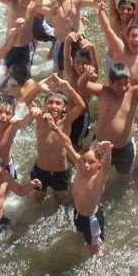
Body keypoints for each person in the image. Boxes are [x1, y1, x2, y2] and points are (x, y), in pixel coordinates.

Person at [78, 63, 138, 184]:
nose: (123, 87)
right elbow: (81, 85)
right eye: (119, 84)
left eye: (126, 83)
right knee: (92, 176)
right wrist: (86, 75)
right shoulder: (103, 91)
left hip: (125, 148)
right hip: (100, 145)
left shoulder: (134, 93)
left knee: (126, 178)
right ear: (110, 82)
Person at [25, 76, 86, 204]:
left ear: (64, 108)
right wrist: (39, 86)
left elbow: (81, 106)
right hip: (41, 170)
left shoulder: (67, 120)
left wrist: (68, 87)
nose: (53, 106)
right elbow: (27, 100)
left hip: (61, 170)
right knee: (38, 197)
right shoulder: (40, 117)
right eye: (50, 102)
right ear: (45, 105)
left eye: (58, 103)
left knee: (59, 198)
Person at [60, 132, 113, 256]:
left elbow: (106, 167)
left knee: (94, 249)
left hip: (91, 219)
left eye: (91, 162)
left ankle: (95, 268)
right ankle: (81, 246)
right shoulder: (80, 168)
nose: (86, 165)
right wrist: (56, 128)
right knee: (79, 234)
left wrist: (108, 151)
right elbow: (67, 145)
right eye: (84, 160)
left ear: (98, 164)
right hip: (78, 213)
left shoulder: (98, 179)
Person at [37, 0, 99, 73]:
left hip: (80, 40)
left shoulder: (77, 0)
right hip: (61, 42)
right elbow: (37, 4)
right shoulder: (53, 3)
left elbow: (94, 2)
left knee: (85, 67)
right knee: (58, 71)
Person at [63, 32, 98, 150]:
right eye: (78, 63)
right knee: (63, 139)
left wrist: (92, 49)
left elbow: (96, 69)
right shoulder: (70, 74)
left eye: (85, 63)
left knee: (76, 144)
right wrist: (67, 42)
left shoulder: (90, 78)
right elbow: (66, 57)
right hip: (67, 113)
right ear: (73, 63)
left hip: (81, 118)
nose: (81, 66)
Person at [105, 0, 138, 70]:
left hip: (126, 62)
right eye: (122, 8)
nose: (125, 12)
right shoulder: (114, 19)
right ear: (118, 9)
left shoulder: (133, 24)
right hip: (111, 59)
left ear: (134, 11)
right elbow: (112, 1)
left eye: (129, 9)